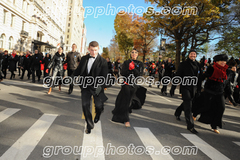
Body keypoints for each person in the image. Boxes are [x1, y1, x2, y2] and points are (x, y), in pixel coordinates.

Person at [74, 41, 108, 134]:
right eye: (92, 50)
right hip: (85, 86)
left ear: (98, 49)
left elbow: (105, 77)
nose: (93, 52)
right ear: (88, 49)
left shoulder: (103, 61)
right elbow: (78, 70)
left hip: (97, 87)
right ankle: (89, 124)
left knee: (98, 105)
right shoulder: (84, 58)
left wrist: (100, 87)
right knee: (85, 105)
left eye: (95, 50)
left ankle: (98, 113)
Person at [193, 54, 229, 134]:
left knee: (221, 108)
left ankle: (214, 126)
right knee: (206, 106)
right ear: (217, 61)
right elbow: (202, 77)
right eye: (221, 61)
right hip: (209, 90)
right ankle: (195, 113)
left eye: (225, 61)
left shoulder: (226, 70)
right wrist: (197, 87)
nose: (223, 62)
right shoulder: (211, 68)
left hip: (219, 92)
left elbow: (226, 83)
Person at [111, 48, 144, 127]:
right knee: (126, 101)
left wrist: (133, 69)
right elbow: (122, 73)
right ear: (130, 54)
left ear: (137, 54)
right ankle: (126, 120)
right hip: (126, 84)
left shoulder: (140, 63)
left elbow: (139, 75)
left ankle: (120, 112)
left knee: (125, 101)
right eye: (132, 52)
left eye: (135, 52)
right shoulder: (126, 62)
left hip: (134, 85)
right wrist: (129, 69)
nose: (134, 54)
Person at [174, 50, 201, 134]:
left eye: (194, 54)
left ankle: (177, 112)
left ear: (196, 56)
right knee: (188, 105)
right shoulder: (183, 64)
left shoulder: (198, 65)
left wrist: (199, 89)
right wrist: (173, 87)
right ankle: (190, 126)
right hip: (185, 87)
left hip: (194, 88)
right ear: (188, 55)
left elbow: (199, 78)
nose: (193, 55)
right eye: (191, 54)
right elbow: (178, 75)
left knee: (187, 102)